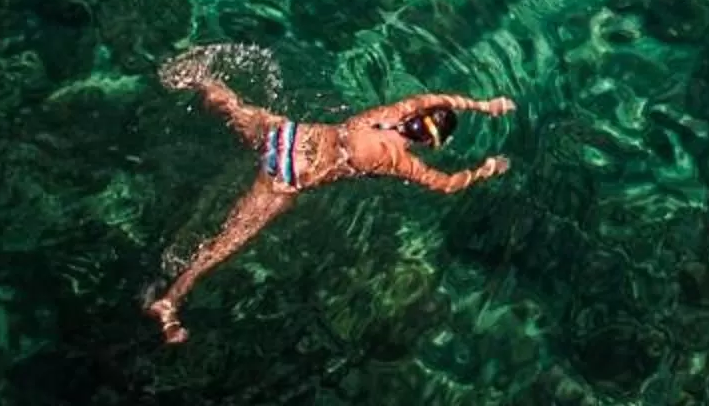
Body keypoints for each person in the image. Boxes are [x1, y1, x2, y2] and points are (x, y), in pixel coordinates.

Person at [147, 53, 516, 344]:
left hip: (284, 135)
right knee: (224, 244)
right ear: (431, 144)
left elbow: (439, 97)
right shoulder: (397, 160)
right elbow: (448, 184)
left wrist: (484, 105)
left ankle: (198, 76)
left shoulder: (392, 113)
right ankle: (169, 302)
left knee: (232, 104)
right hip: (284, 178)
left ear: (418, 116)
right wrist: (486, 169)